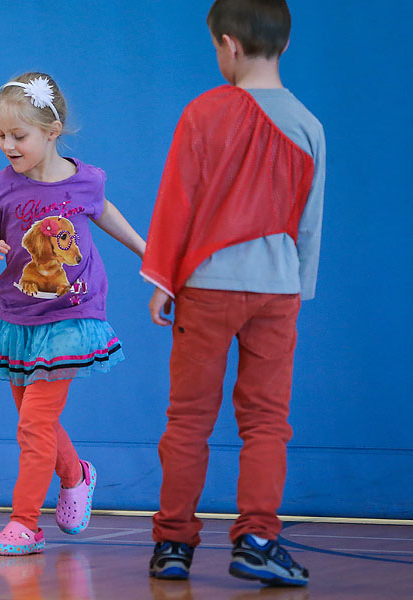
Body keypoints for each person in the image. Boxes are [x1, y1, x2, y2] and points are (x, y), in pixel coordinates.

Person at [142, 0, 325, 587]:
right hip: (277, 291)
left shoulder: (203, 113)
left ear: (230, 45)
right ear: (286, 46)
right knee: (267, 421)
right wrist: (299, 289)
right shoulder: (309, 124)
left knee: (189, 419)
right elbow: (309, 223)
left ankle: (173, 545)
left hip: (207, 289)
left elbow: (178, 200)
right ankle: (258, 539)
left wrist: (162, 278)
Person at [0, 72, 146, 556]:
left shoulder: (85, 179)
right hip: (18, 320)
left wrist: (145, 250)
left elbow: (104, 212)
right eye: (1, 135)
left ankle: (25, 523)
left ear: (52, 132)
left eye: (18, 135)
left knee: (33, 426)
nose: (7, 144)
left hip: (72, 316)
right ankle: (76, 474)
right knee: (34, 419)